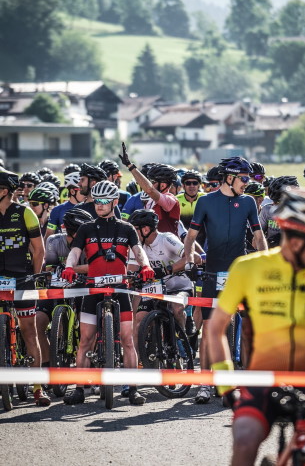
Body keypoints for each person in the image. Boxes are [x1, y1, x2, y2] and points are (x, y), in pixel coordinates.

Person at [208, 187, 305, 466]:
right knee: (244, 440)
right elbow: (215, 329)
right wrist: (227, 385)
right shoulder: (248, 268)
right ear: (298, 241)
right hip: (262, 380)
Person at [61, 180, 155, 405]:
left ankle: (132, 389)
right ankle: (80, 389)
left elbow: (138, 250)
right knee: (85, 340)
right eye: (96, 200)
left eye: (104, 201)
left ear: (114, 202)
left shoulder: (126, 228)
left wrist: (145, 265)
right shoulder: (86, 228)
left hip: (120, 288)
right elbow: (75, 251)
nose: (99, 205)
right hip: (93, 288)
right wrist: (68, 267)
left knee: (127, 340)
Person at [184, 156, 267, 404]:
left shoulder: (249, 201)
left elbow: (259, 236)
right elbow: (190, 237)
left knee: (250, 327)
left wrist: (264, 259)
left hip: (240, 272)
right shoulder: (206, 201)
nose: (247, 183)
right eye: (243, 178)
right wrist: (189, 258)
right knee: (210, 329)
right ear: (229, 178)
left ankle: (247, 382)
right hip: (213, 271)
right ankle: (205, 384)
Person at [0, 170, 50, 406]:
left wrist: (36, 276)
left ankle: (38, 387)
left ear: (4, 191)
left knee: (29, 331)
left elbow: (39, 250)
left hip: (22, 277)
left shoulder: (24, 213)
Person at [128, 209, 200, 350]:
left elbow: (193, 257)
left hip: (179, 286)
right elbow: (131, 269)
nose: (132, 233)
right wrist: (131, 277)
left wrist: (168, 270)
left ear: (146, 229)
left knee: (176, 308)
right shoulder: (137, 245)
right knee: (139, 320)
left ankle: (182, 339)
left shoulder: (166, 238)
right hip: (155, 288)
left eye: (134, 229)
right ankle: (138, 363)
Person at [36, 208, 92, 370]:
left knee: (89, 325)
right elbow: (49, 269)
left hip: (81, 288)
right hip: (56, 288)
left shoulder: (89, 244)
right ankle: (49, 363)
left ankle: (90, 363)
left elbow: (93, 267)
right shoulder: (53, 241)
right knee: (38, 321)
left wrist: (72, 270)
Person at [119, 143, 180, 236]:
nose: (150, 183)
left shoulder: (171, 200)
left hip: (168, 247)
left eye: (152, 181)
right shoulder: (150, 201)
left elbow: (150, 190)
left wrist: (130, 166)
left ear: (163, 185)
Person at [260, 176, 299, 248]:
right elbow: (258, 236)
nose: (273, 205)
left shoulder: (300, 213)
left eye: (278, 202)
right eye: (273, 201)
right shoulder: (267, 209)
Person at [45, 171, 85, 240]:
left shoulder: (90, 207)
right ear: (72, 192)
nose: (85, 192)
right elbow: (49, 236)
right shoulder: (57, 210)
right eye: (81, 189)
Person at [177, 170, 206, 247]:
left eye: (195, 183)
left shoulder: (206, 199)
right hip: (182, 241)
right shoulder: (176, 200)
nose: (192, 186)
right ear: (183, 186)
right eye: (188, 183)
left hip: (203, 241)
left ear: (199, 185)